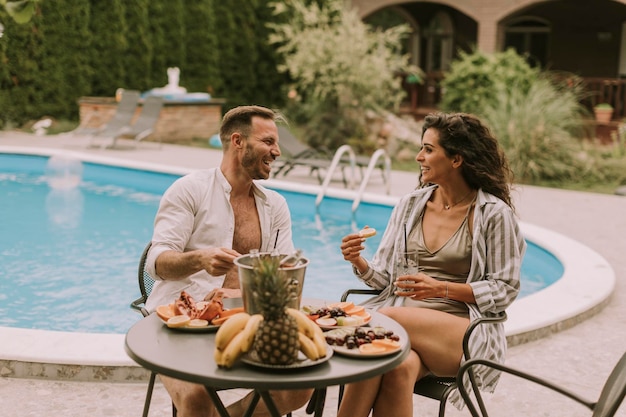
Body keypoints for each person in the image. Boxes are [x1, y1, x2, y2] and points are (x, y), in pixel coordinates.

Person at [337, 112, 526, 417]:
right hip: (403, 319)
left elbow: (505, 290)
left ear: (456, 159)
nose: (418, 156)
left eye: (428, 149)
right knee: (396, 367)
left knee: (376, 324)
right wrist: (357, 260)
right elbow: (386, 281)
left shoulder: (493, 213)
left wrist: (444, 289)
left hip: (462, 330)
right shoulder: (410, 205)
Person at [144, 105, 312, 417]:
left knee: (300, 386)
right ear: (238, 141)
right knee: (196, 399)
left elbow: (287, 273)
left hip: (249, 322)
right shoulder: (189, 190)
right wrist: (199, 259)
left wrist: (246, 295)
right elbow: (156, 262)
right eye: (268, 142)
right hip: (181, 323)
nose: (277, 152)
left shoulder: (275, 206)